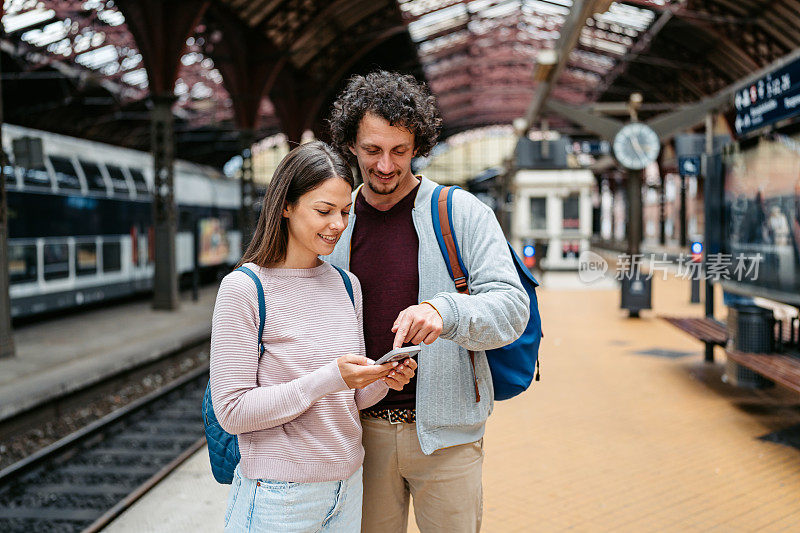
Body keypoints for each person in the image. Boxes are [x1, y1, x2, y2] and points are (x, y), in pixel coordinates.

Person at [324, 71, 530, 532]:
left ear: (418, 146)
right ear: (351, 146)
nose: (384, 166)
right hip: (358, 435)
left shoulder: (463, 213)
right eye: (372, 150)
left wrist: (446, 310)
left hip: (448, 437)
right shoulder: (332, 224)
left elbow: (513, 307)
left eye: (399, 151)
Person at [210, 141, 417, 532]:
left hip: (347, 488)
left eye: (344, 211)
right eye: (324, 211)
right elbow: (232, 411)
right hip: (278, 496)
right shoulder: (244, 288)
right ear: (285, 205)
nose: (338, 224)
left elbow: (347, 398)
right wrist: (329, 378)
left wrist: (381, 380)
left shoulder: (346, 284)